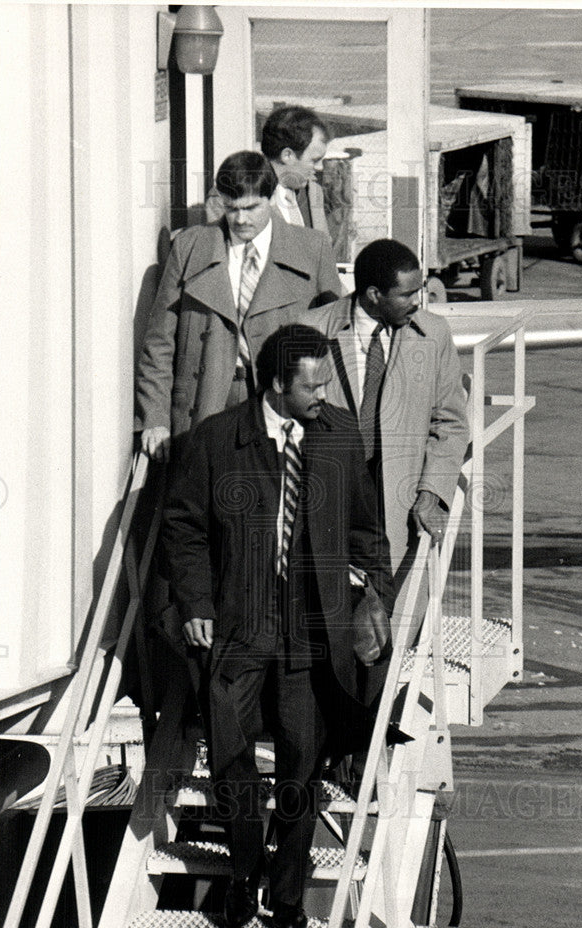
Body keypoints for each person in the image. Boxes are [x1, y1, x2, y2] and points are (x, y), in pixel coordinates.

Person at [162, 324, 394, 928]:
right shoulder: (214, 442)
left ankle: (287, 896)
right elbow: (182, 529)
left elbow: (368, 526)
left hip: (310, 633)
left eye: (326, 380)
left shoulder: (339, 434)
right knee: (233, 764)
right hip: (237, 629)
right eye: (312, 385)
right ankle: (243, 876)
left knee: (300, 765)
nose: (324, 394)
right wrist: (196, 603)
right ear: (275, 386)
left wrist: (373, 589)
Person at [304, 238, 469, 630]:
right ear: (374, 295)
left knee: (384, 612)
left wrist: (432, 492)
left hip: (395, 493)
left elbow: (451, 423)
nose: (419, 302)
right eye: (408, 294)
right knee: (326, 602)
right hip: (331, 492)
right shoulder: (309, 331)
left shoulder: (434, 334)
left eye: (421, 290)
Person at [135, 150, 341, 462]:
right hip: (203, 402)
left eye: (251, 208)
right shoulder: (189, 247)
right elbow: (160, 341)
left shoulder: (313, 248)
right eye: (231, 209)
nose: (241, 219)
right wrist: (155, 417)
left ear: (271, 197)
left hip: (278, 403)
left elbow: (334, 341)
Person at [205, 105, 330, 235]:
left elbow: (325, 249)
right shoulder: (228, 197)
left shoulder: (314, 192)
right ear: (287, 155)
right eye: (314, 160)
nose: (320, 167)